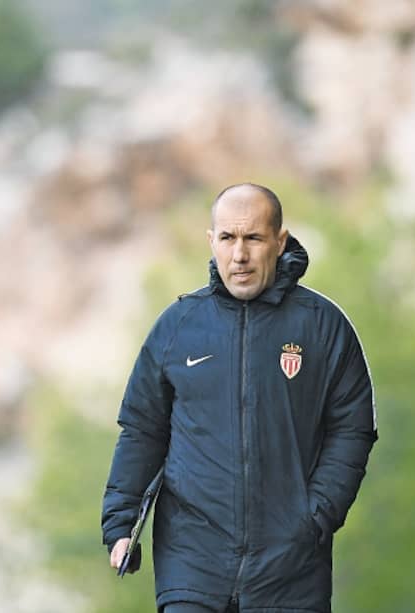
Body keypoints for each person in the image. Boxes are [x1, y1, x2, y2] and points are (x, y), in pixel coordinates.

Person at [101, 183, 378, 612]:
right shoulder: (179, 326)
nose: (239, 255)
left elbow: (353, 429)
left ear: (280, 241)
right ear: (212, 242)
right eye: (228, 238)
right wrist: (121, 523)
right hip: (190, 563)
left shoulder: (323, 327)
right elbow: (142, 429)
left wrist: (316, 516)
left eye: (253, 238)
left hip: (291, 571)